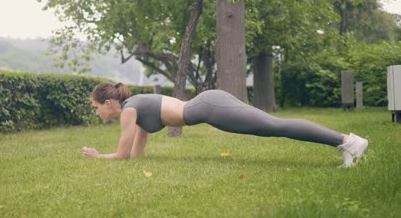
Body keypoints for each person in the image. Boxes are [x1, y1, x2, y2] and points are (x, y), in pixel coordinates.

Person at [82, 82, 368, 167]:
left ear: (109, 103)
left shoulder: (130, 110)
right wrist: (123, 156)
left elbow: (121, 155)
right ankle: (345, 143)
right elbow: (134, 155)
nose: (97, 113)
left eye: (96, 108)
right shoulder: (137, 110)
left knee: (274, 125)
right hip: (209, 106)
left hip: (210, 106)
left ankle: (347, 141)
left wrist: (98, 156)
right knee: (272, 126)